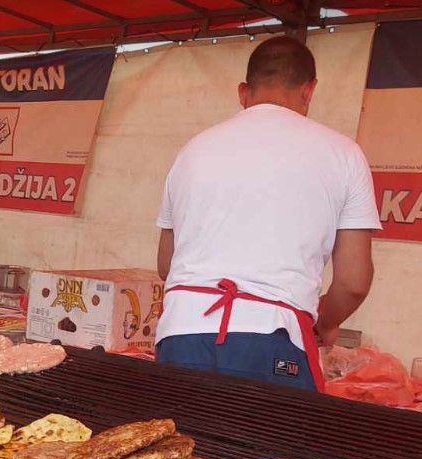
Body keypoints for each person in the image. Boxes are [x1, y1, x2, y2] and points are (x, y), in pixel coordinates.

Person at [154, 37, 380, 392]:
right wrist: (325, 323)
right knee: (276, 448)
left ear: (243, 92)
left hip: (180, 332)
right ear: (309, 90)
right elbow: (354, 281)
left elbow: (167, 265)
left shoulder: (192, 150)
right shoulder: (343, 154)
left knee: (178, 445)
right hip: (273, 336)